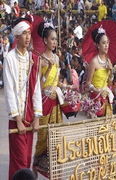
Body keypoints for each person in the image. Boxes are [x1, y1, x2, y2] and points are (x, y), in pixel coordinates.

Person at [3, 18, 42, 180]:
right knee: (19, 161)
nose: (27, 37)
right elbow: (9, 91)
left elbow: (36, 88)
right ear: (17, 36)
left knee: (26, 159)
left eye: (29, 33)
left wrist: (36, 118)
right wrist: (18, 119)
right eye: (24, 33)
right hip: (17, 119)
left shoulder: (32, 58)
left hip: (29, 117)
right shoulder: (9, 58)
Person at [33, 22, 63, 178]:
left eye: (56, 39)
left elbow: (55, 81)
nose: (54, 42)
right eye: (52, 39)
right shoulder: (40, 60)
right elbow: (39, 85)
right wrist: (49, 68)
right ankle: (36, 164)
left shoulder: (57, 58)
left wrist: (65, 86)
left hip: (55, 101)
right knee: (43, 137)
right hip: (44, 102)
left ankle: (54, 170)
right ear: (45, 40)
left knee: (55, 136)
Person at [85, 25, 114, 117]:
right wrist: (94, 89)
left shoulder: (108, 61)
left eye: (107, 43)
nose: (106, 46)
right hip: (96, 98)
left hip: (106, 98)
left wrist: (111, 71)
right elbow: (88, 82)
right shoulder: (94, 62)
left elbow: (109, 83)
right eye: (104, 43)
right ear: (98, 45)